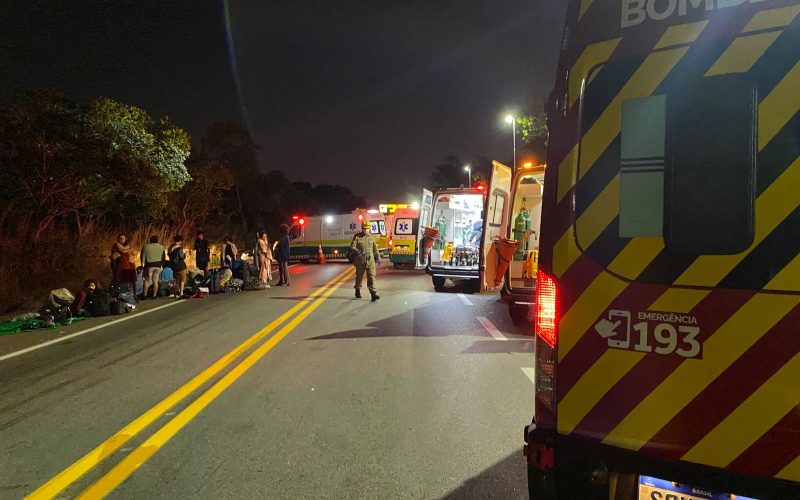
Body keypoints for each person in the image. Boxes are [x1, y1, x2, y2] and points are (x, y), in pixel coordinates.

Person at [350, 220, 381, 301]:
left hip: (370, 260)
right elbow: (352, 246)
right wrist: (358, 251)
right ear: (362, 228)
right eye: (364, 228)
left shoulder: (371, 237)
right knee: (359, 276)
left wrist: (378, 257)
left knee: (371, 276)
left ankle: (373, 293)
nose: (366, 230)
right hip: (360, 261)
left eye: (367, 228)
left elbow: (375, 249)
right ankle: (357, 289)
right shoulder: (357, 237)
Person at [140, 235, 166, 299]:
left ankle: (145, 295)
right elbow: (163, 257)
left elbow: (142, 256)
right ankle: (154, 295)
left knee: (146, 280)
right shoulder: (161, 247)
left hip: (149, 265)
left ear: (150, 240)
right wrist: (162, 265)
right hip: (158, 265)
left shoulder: (146, 247)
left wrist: (142, 264)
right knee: (155, 281)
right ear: (157, 240)